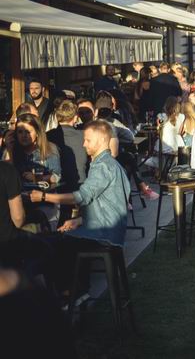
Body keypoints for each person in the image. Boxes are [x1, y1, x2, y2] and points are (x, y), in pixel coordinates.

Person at [28, 120, 130, 294]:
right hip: (109, 230)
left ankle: (69, 293)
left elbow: (81, 196)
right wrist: (80, 220)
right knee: (59, 238)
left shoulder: (102, 166)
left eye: (88, 140)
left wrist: (44, 196)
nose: (83, 144)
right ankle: (76, 289)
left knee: (51, 244)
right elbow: (109, 205)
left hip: (105, 235)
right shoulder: (111, 164)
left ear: (101, 140)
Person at [45, 101, 88, 192]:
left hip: (56, 187)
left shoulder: (47, 136)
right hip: (80, 185)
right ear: (75, 117)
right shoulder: (84, 135)